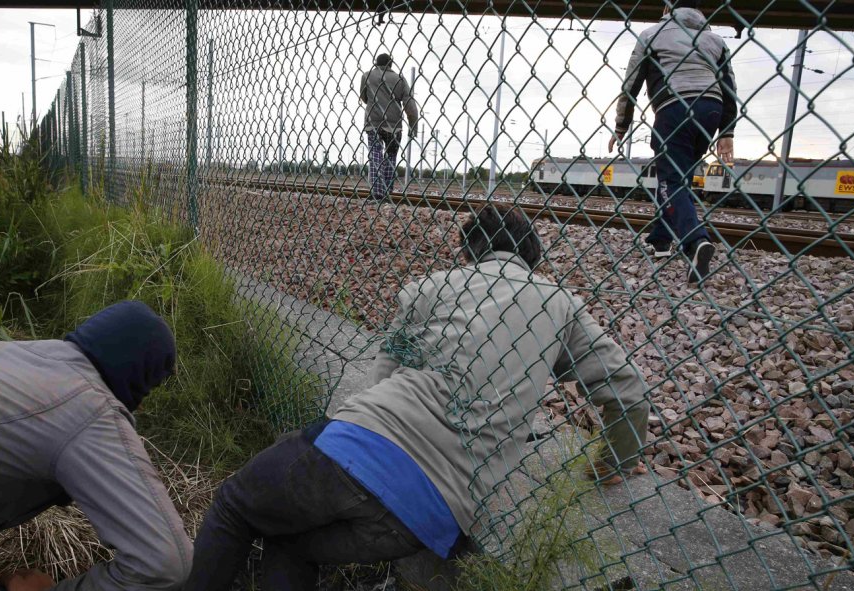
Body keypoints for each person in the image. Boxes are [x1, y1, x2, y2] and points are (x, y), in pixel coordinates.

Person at [184, 206, 649, 591]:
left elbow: (380, 378)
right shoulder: (558, 303)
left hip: (360, 451)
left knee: (235, 504)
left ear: (469, 252)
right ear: (531, 258)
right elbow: (628, 393)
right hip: (431, 518)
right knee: (293, 539)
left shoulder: (434, 287)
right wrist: (611, 466)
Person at [0, 301, 192, 591]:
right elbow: (164, 564)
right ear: (136, 377)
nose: (141, 406)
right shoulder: (86, 407)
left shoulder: (11, 355)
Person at [609, 0, 738, 285]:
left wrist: (621, 126)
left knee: (670, 180)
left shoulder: (652, 34)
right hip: (711, 110)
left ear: (668, 9)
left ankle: (696, 242)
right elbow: (729, 86)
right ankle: (661, 240)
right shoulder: (715, 40)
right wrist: (727, 131)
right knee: (680, 178)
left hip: (674, 108)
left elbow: (631, 83)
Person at [359, 53, 419, 200]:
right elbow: (410, 105)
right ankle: (387, 191)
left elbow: (364, 97)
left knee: (375, 154)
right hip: (395, 125)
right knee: (391, 156)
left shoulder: (367, 76)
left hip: (373, 122)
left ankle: (378, 192)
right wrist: (413, 127)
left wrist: (375, 98)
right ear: (391, 64)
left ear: (376, 63)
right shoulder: (400, 79)